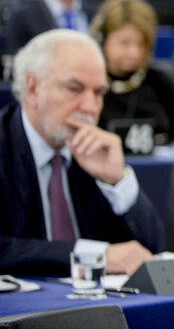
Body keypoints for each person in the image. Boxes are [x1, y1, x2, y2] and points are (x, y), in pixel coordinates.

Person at [0, 29, 165, 277]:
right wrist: (92, 256)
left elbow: (151, 248)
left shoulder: (91, 150)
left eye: (99, 93)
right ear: (32, 88)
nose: (90, 107)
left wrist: (117, 180)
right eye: (74, 89)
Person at [89, 0, 174, 147]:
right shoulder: (89, 84)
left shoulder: (160, 81)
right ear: (102, 40)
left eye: (140, 44)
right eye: (124, 43)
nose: (133, 53)